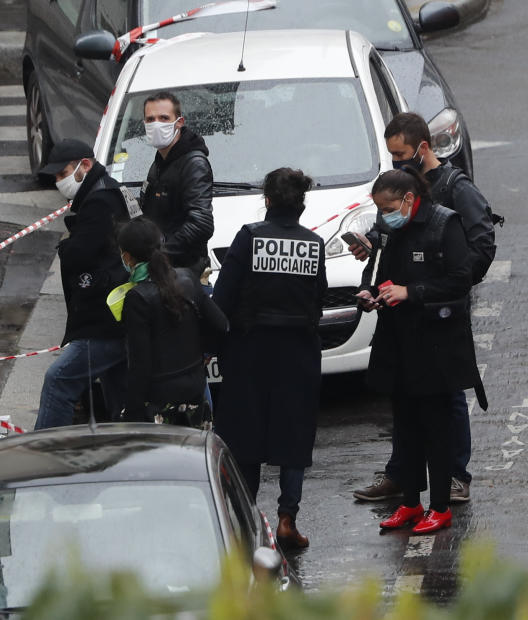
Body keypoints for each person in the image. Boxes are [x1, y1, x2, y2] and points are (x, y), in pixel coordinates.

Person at [351, 112, 498, 504]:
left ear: (423, 148)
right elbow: (391, 240)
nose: (397, 162)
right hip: (403, 315)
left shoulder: (454, 187)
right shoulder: (398, 191)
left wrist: (452, 283)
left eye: (401, 154)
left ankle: (454, 475)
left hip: (440, 312)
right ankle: (403, 473)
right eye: (392, 156)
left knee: (446, 397)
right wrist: (374, 252)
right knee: (406, 397)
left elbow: (480, 247)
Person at [355, 168, 480, 535]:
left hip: (435, 344)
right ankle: (410, 502)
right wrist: (370, 292)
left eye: (389, 207)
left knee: (436, 429)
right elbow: (376, 269)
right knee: (405, 427)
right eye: (380, 209)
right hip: (397, 343)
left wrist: (412, 292)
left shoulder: (444, 224)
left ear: (409, 199)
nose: (385, 215)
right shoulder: (391, 230)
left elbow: (460, 278)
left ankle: (439, 506)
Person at [211, 168, 326, 549]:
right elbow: (318, 301)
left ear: (268, 200)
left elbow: (223, 299)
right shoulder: (314, 244)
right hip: (298, 355)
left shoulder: (249, 237)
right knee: (294, 439)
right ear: (302, 204)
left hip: (249, 352)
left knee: (246, 437)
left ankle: (246, 522)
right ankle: (287, 520)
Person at [34, 139, 130, 429]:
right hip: (115, 314)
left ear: (84, 165)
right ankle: (124, 447)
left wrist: (67, 247)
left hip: (103, 319)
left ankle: (45, 453)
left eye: (63, 174)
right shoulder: (107, 192)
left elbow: (80, 253)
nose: (58, 182)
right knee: (120, 398)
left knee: (59, 380)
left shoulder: (101, 200)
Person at [116, 218, 227, 426]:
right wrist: (203, 355)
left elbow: (139, 365)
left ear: (128, 257)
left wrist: (132, 414)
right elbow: (221, 325)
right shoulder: (188, 279)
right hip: (194, 390)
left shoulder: (137, 298)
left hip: (159, 402)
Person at [139, 91, 214, 276]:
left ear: (179, 122)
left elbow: (201, 224)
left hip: (183, 273)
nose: (156, 124)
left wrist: (161, 254)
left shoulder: (193, 164)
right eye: (150, 119)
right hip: (163, 269)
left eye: (164, 118)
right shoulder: (160, 161)